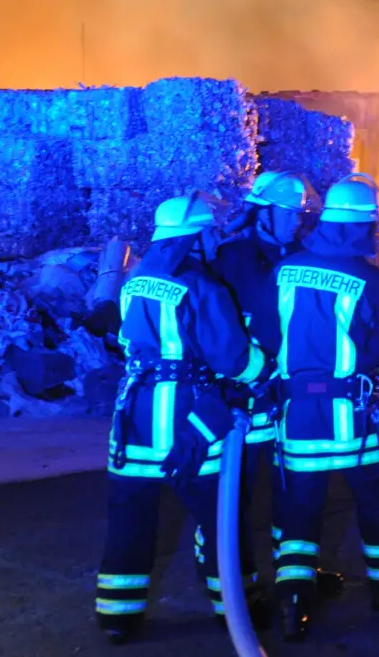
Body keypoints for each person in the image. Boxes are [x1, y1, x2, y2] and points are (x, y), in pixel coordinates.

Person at [94, 192, 262, 644]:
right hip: (189, 423)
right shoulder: (203, 285)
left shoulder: (134, 279)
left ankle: (117, 618)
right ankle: (235, 607)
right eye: (209, 232)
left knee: (129, 522)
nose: (214, 240)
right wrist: (265, 369)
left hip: (133, 421)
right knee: (220, 518)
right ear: (196, 236)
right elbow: (231, 359)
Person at [269, 174, 379, 642]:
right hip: (351, 415)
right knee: (376, 504)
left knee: (299, 510)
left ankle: (294, 600)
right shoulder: (369, 279)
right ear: (361, 228)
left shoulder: (286, 268)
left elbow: (270, 335)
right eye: (373, 226)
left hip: (297, 415)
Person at [202, 170, 345, 599]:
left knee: (295, 488)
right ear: (262, 212)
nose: (297, 221)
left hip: (290, 395)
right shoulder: (235, 258)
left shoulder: (301, 256)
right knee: (235, 493)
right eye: (289, 213)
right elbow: (225, 333)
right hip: (243, 396)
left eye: (301, 214)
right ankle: (233, 584)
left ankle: (295, 576)